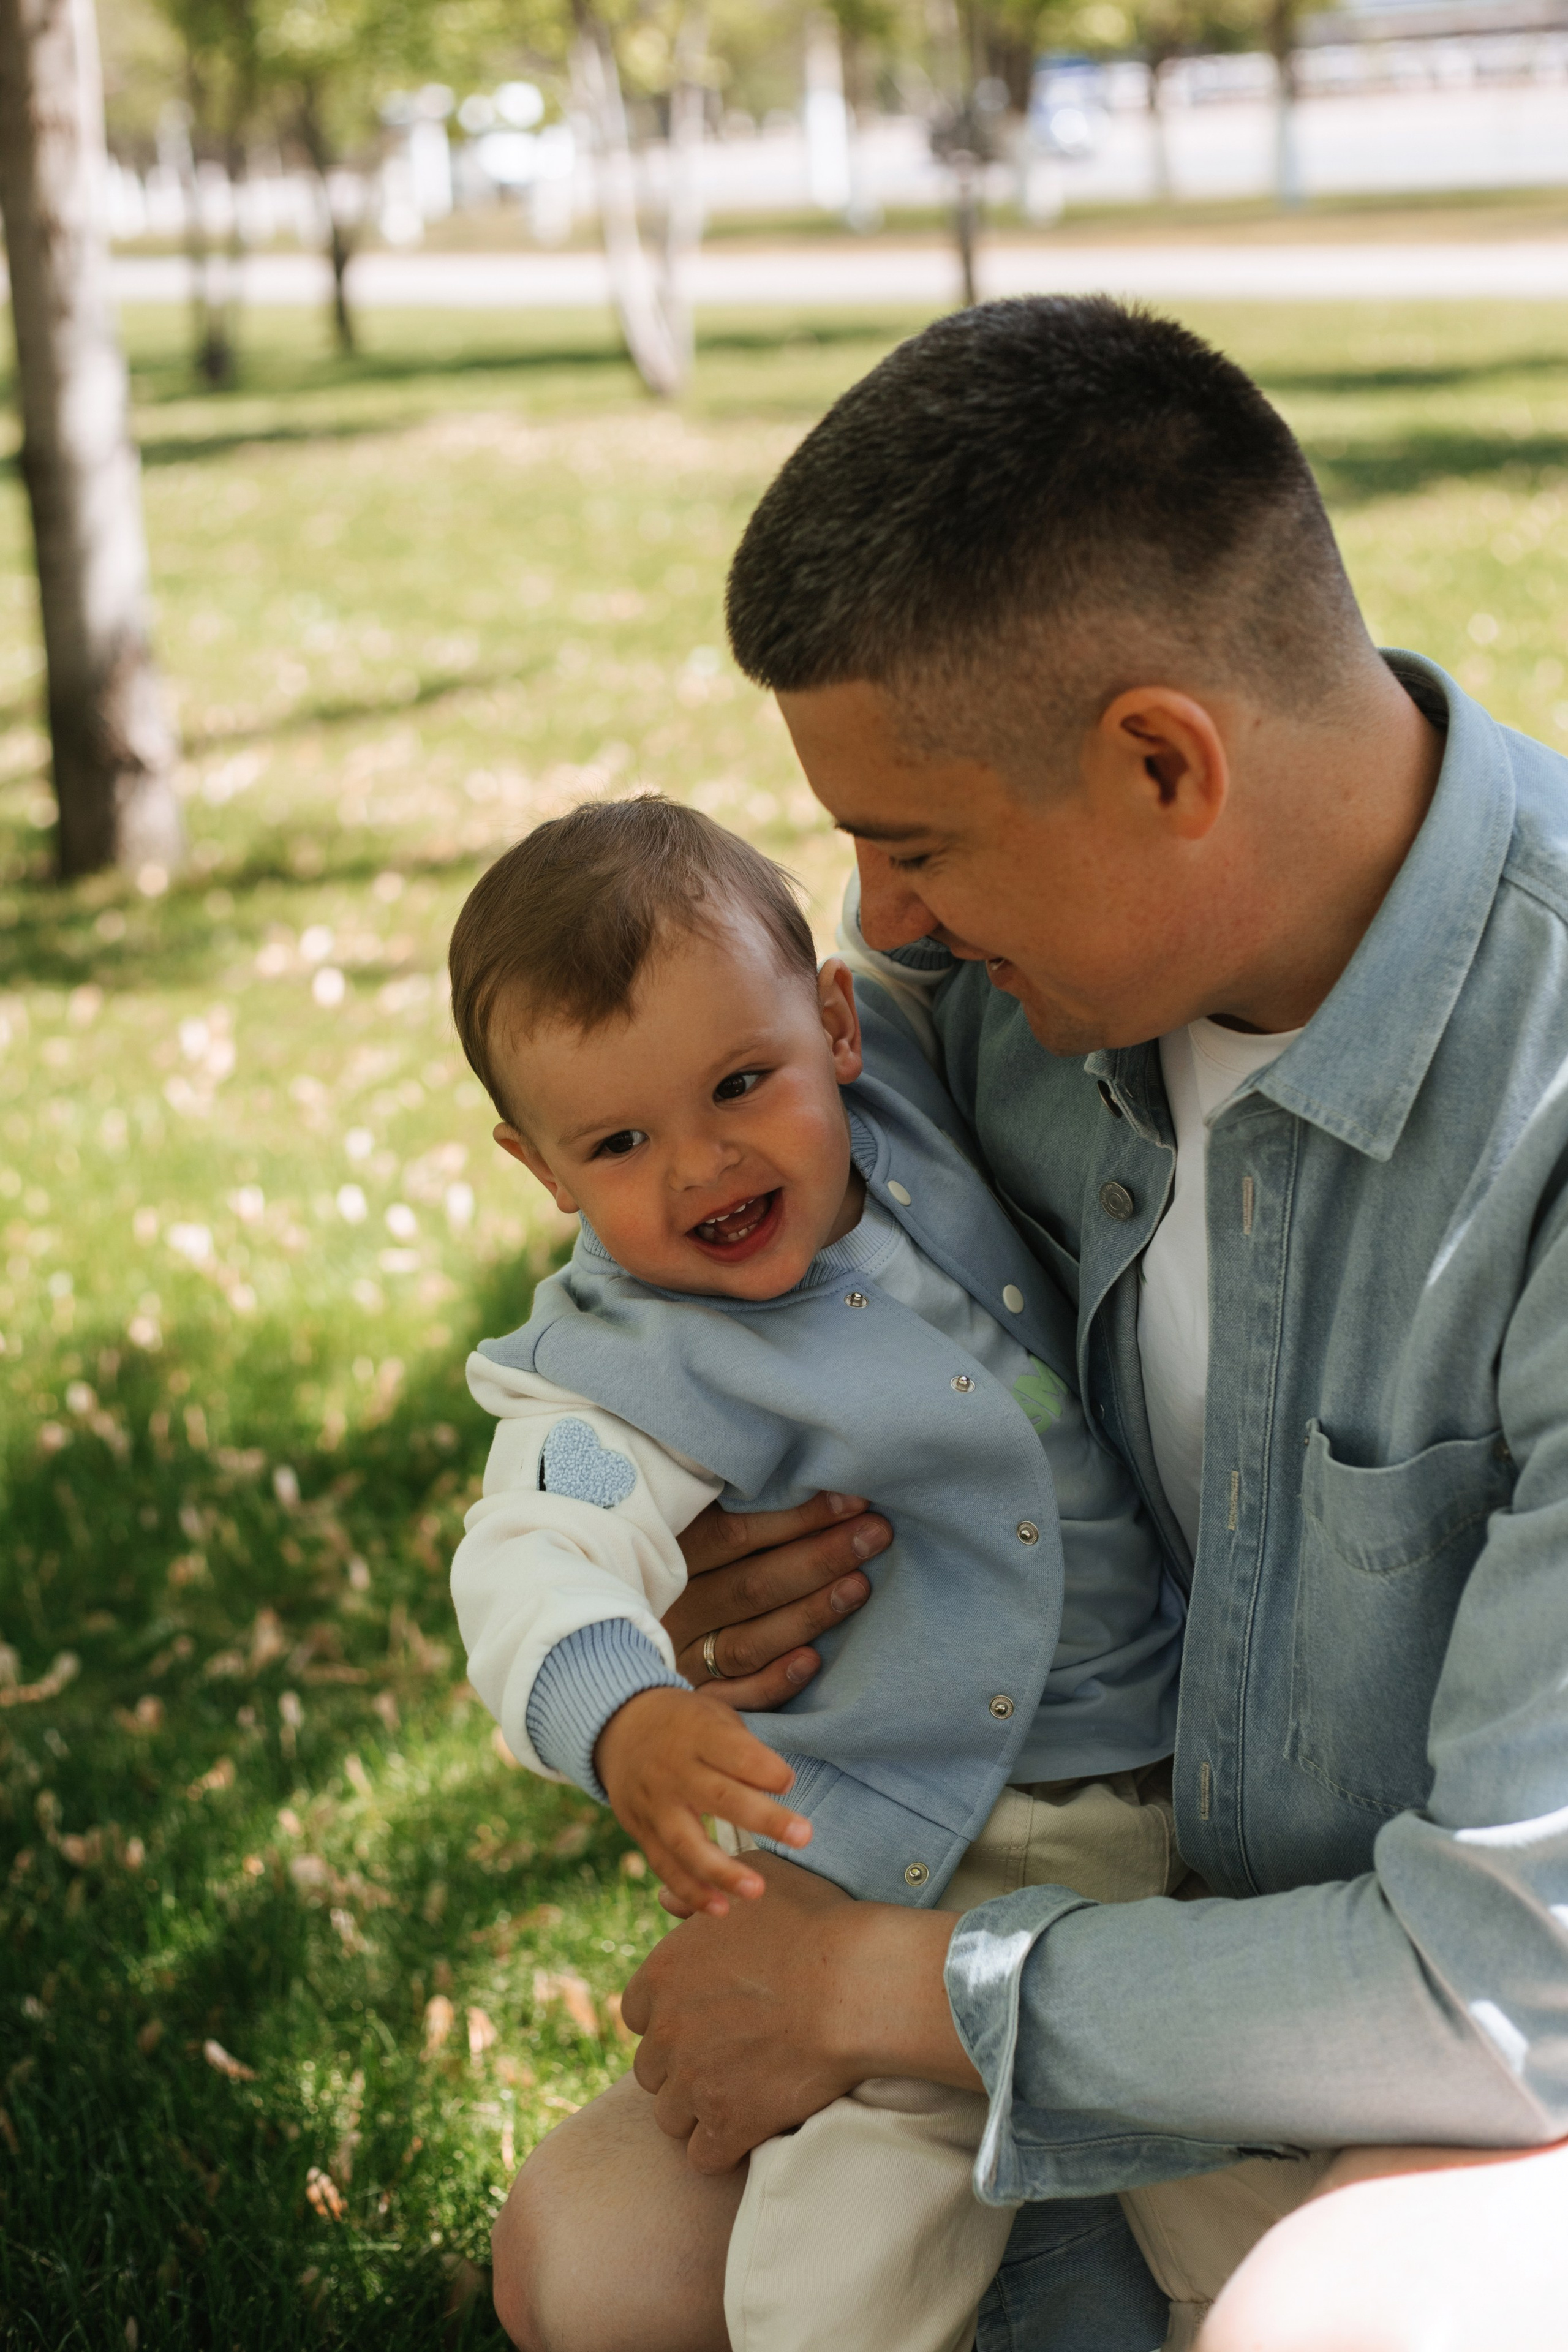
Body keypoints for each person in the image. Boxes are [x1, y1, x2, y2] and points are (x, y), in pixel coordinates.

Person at [492, 296, 1568, 2351]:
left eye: (918, 847)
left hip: (1503, 2046)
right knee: (601, 2265)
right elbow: (670, 1274)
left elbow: (1517, 1978)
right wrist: (721, 1556)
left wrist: (890, 1990)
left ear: (1163, 762)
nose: (880, 932)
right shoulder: (990, 1021)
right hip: (1159, 1941)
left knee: (1322, 2332)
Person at [446, 794, 1186, 2352]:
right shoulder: (623, 1369)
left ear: (834, 1030)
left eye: (737, 1084)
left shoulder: (900, 1103)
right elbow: (539, 1552)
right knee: (843, 2249)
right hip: (929, 1855)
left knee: (1247, 2212)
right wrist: (624, 1716)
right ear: (539, 1168)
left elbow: (907, 915)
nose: (702, 1159)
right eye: (618, 1142)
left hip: (1178, 1809)